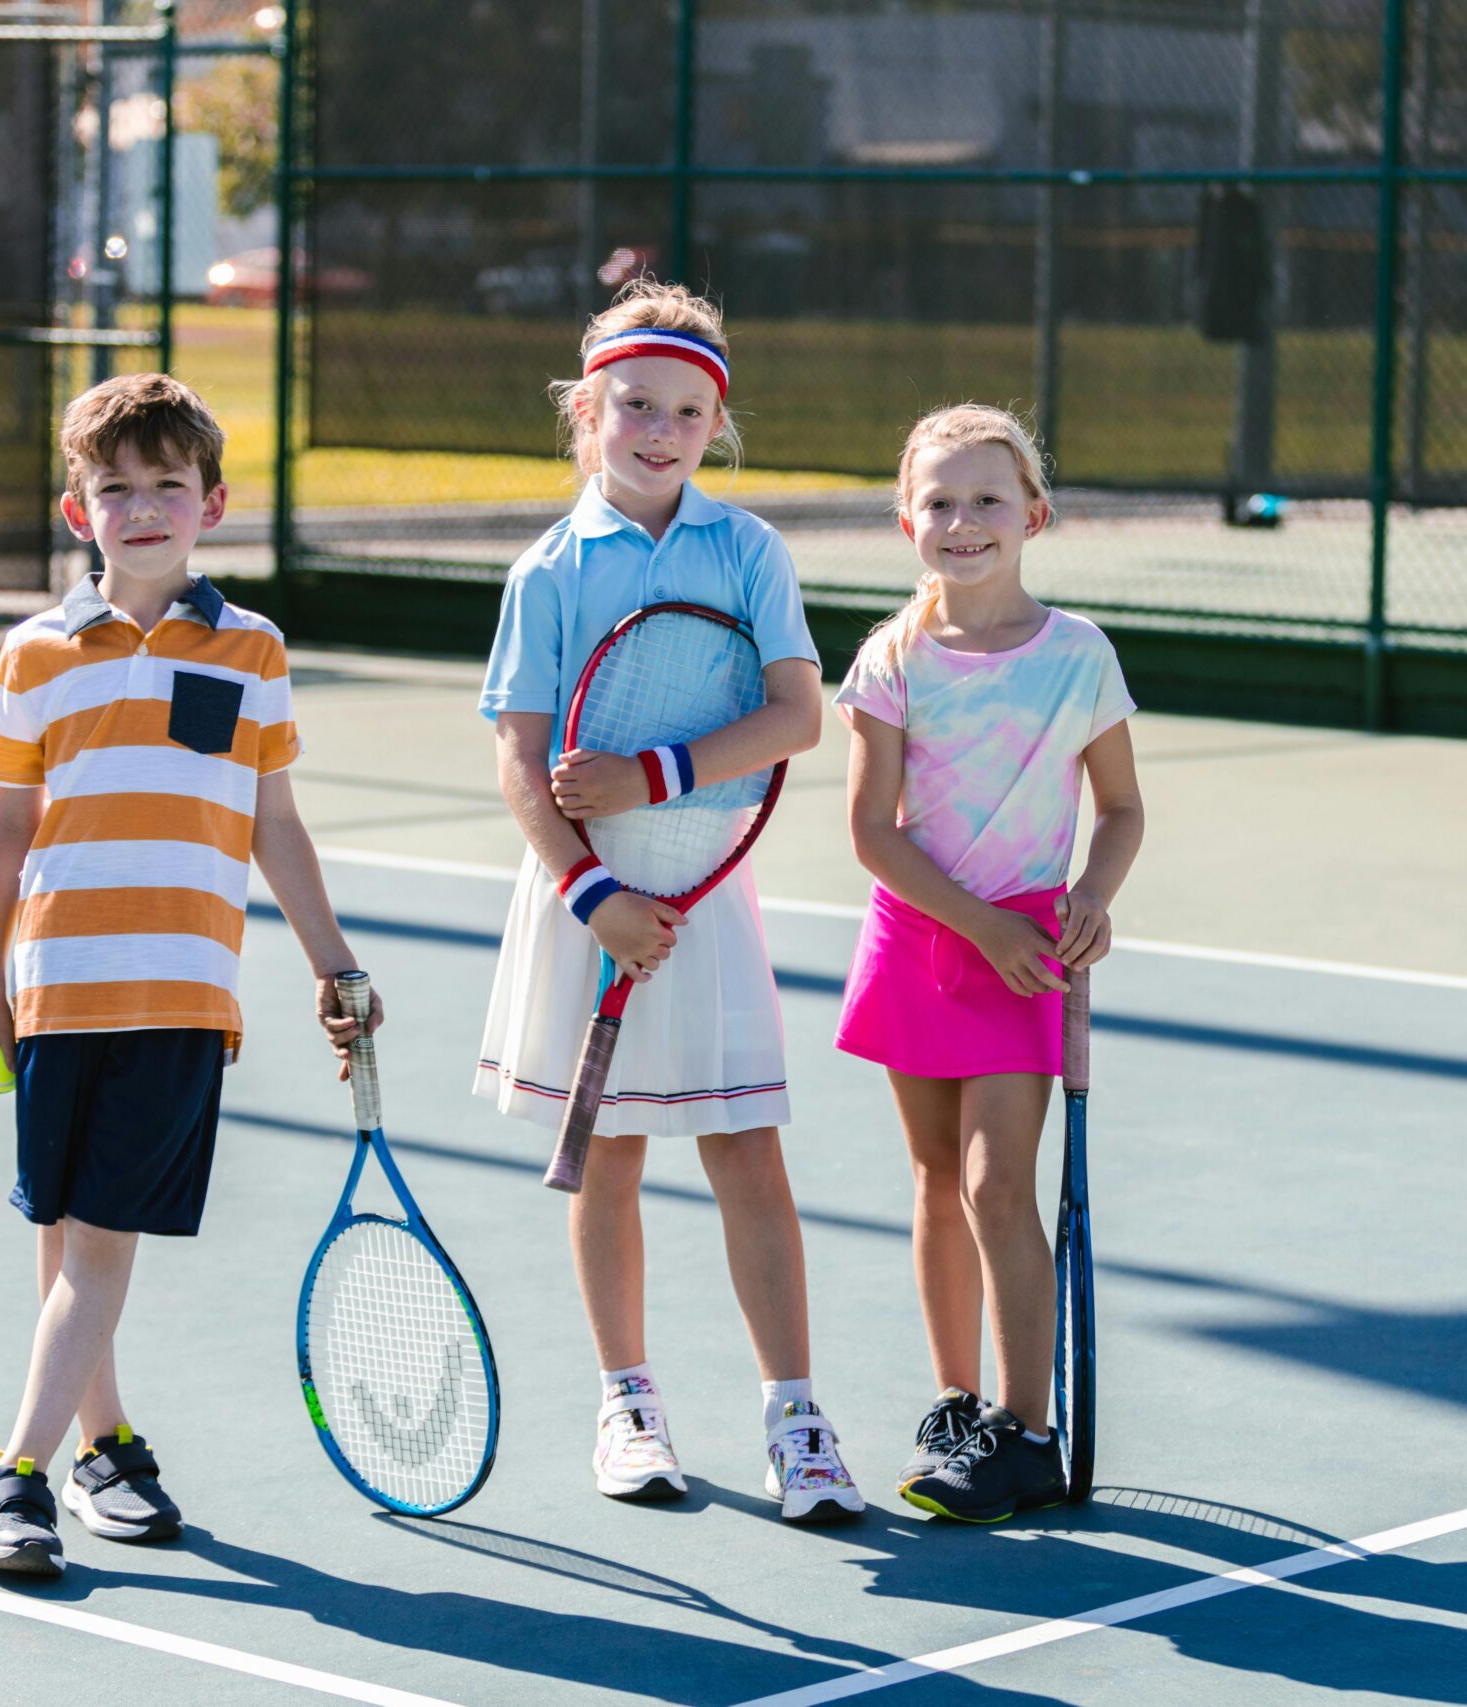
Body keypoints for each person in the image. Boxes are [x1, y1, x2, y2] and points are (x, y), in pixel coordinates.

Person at [0, 372, 377, 1575]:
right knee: (69, 1231)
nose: (143, 507)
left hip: (183, 991)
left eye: (167, 487)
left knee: (98, 1243)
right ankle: (102, 1451)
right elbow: (7, 832)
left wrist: (332, 960)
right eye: (116, 489)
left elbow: (273, 822)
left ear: (214, 504)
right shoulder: (34, 656)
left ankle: (12, 1477)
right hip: (55, 989)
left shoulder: (253, 650)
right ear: (79, 513)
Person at [475, 279, 863, 1522]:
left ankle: (796, 1418)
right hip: (587, 902)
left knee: (748, 1150)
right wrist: (593, 894)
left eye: (686, 412)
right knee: (609, 1159)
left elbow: (801, 714)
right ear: (586, 410)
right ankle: (627, 1406)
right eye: (635, 404)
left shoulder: (747, 549)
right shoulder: (545, 572)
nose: (658, 429)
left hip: (704, 898)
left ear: (715, 426)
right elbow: (520, 765)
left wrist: (655, 774)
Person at [833, 404, 1145, 1524]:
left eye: (986, 501)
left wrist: (1090, 898)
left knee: (992, 1184)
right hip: (923, 936)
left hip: (1021, 955)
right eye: (939, 502)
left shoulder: (1078, 656)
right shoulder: (892, 658)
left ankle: (1026, 1430)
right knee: (931, 1182)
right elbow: (871, 831)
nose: (961, 522)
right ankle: (958, 1401)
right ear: (906, 519)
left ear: (1033, 517)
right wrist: (977, 924)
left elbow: (1117, 811)